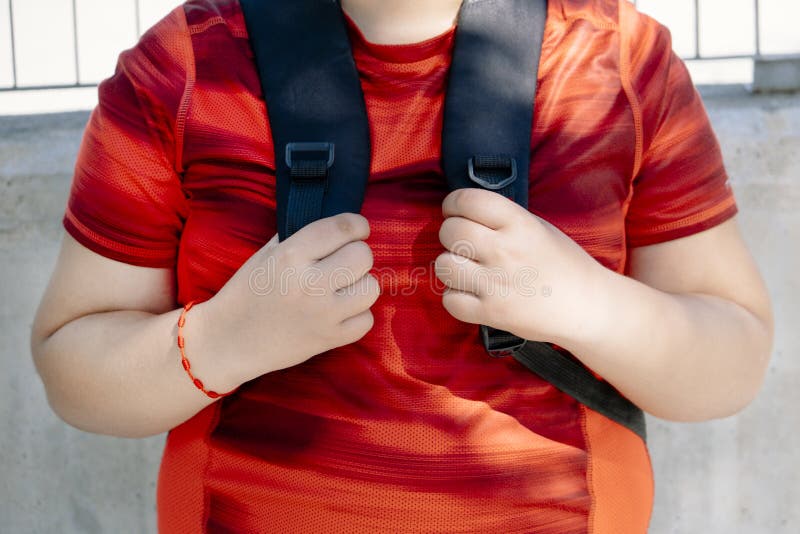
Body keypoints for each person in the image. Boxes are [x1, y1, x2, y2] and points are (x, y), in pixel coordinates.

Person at [30, 0, 773, 532]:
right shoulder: (182, 68)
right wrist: (223, 338)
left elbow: (732, 359)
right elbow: (74, 368)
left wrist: (588, 305)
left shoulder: (622, 60)